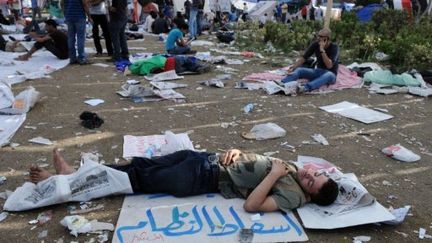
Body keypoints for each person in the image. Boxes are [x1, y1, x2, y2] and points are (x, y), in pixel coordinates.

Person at [29, 148, 339, 212]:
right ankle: (74, 175)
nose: (309, 175)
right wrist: (239, 151)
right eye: (316, 174)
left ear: (309, 196)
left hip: (200, 177)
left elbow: (252, 204)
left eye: (312, 182)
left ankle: (64, 184)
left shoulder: (293, 195)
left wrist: (273, 173)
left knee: (133, 179)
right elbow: (254, 166)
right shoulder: (294, 171)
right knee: (136, 165)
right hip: (203, 159)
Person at [281, 28, 339, 93]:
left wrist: (322, 50)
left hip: (330, 74)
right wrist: (293, 67)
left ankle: (305, 88)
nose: (318, 38)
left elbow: (329, 66)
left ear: (327, 38)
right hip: (318, 71)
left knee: (329, 75)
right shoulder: (315, 44)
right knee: (300, 70)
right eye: (318, 36)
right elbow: (304, 58)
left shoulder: (334, 47)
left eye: (321, 37)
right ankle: (283, 83)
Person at [63, 0, 92, 64]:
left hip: (69, 16)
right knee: (80, 38)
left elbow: (63, 4)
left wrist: (65, 14)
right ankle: (81, 58)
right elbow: (84, 4)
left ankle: (72, 58)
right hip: (79, 16)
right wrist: (89, 16)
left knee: (71, 38)